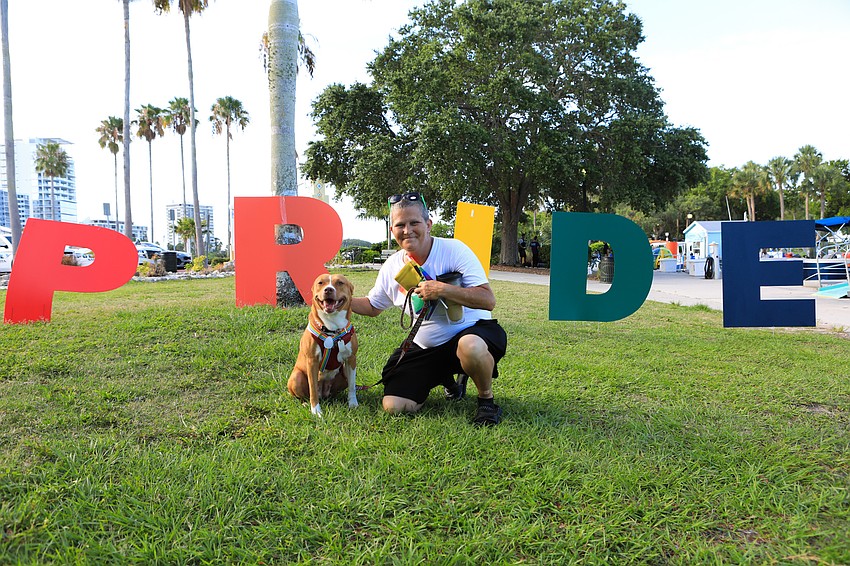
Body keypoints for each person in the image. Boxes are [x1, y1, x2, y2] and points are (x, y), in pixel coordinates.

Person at [351, 192, 508, 426]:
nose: (407, 230)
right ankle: (448, 381)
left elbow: (488, 300)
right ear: (392, 230)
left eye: (414, 222)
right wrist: (339, 299)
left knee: (471, 347)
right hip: (425, 346)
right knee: (395, 406)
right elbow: (373, 306)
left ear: (428, 224)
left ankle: (486, 401)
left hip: (472, 333)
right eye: (400, 225)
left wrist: (443, 289)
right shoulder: (392, 266)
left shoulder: (455, 250)